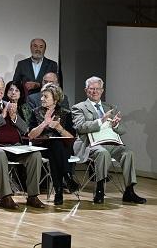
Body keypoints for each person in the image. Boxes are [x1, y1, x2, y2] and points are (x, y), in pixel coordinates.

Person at [0, 75, 44, 210]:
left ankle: (33, 196)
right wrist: (1, 116)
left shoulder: (10, 105)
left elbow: (25, 130)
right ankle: (5, 197)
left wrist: (14, 117)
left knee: (35, 155)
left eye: (1, 89)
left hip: (15, 147)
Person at [72, 76, 146, 204]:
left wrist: (116, 125)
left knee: (128, 153)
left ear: (102, 91)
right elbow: (80, 127)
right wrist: (101, 120)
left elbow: (122, 130)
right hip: (90, 144)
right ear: (86, 90)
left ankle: (129, 191)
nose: (95, 91)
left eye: (97, 89)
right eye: (91, 89)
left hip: (110, 143)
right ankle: (100, 190)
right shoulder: (79, 107)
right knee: (102, 153)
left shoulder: (110, 107)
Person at [28, 83, 78, 205]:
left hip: (62, 149)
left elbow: (71, 138)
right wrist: (44, 123)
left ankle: (59, 190)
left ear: (55, 99)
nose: (41, 99)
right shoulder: (35, 112)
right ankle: (66, 178)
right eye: (41, 96)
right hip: (42, 147)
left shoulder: (66, 113)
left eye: (45, 96)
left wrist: (59, 128)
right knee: (55, 147)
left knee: (56, 146)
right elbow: (31, 135)